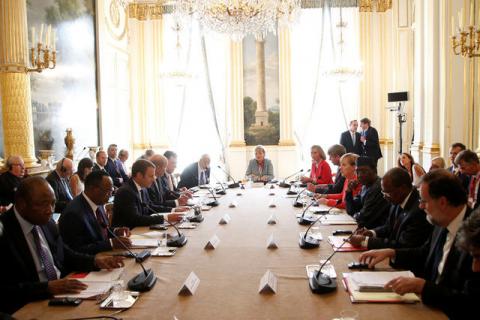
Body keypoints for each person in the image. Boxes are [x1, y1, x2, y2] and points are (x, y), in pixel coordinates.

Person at [359, 170, 480, 319]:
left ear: (442, 202)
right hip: (428, 308)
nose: (421, 206)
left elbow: (471, 302)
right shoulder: (442, 219)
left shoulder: (474, 233)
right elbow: (425, 252)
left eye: (424, 201)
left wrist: (423, 287)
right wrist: (392, 253)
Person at [0, 177, 124, 314]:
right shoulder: (4, 231)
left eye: (53, 203)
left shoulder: (47, 222)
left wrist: (95, 261)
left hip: (63, 293)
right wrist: (46, 287)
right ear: (21, 203)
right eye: (42, 204)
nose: (50, 210)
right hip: (28, 304)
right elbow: (5, 289)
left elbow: (64, 253)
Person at [349, 167, 432, 249]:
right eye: (383, 192)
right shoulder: (396, 199)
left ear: (402, 188)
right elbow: (389, 226)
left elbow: (403, 245)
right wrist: (372, 232)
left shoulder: (418, 211)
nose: (384, 196)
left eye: (387, 193)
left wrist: (366, 241)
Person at [59, 171, 132, 255]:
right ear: (93, 189)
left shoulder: (98, 202)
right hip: (90, 263)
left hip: (106, 255)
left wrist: (116, 231)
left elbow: (101, 231)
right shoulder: (73, 214)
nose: (110, 195)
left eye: (111, 191)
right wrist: (110, 243)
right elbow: (77, 250)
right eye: (108, 191)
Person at [111, 160, 184, 229]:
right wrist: (166, 218)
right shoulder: (125, 192)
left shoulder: (143, 188)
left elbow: (150, 207)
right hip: (128, 234)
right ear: (139, 175)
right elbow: (135, 219)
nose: (154, 179)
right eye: (151, 176)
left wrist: (173, 210)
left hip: (140, 230)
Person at [344, 156, 390, 229]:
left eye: (364, 171)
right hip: (366, 228)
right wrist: (349, 191)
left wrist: (355, 215)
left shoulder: (379, 187)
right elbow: (351, 210)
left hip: (377, 232)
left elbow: (363, 218)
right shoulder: (365, 186)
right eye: (357, 172)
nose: (359, 175)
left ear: (374, 170)